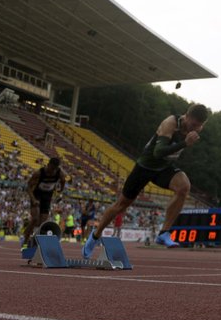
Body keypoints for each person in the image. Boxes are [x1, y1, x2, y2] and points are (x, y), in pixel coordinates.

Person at [83, 103, 209, 258]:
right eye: (193, 124)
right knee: (121, 205)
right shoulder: (170, 123)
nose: (194, 128)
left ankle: (164, 233)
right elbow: (158, 152)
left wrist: (188, 138)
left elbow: (167, 156)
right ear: (187, 116)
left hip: (163, 168)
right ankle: (95, 236)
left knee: (184, 187)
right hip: (146, 166)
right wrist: (185, 143)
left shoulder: (197, 128)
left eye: (198, 126)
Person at [20, 157, 65, 248]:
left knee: (42, 223)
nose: (51, 172)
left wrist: (60, 190)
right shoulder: (39, 173)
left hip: (47, 197)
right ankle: (25, 239)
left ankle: (35, 241)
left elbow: (63, 181)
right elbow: (28, 187)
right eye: (51, 169)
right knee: (35, 219)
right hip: (37, 195)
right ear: (48, 165)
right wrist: (33, 199)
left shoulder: (60, 174)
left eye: (54, 170)